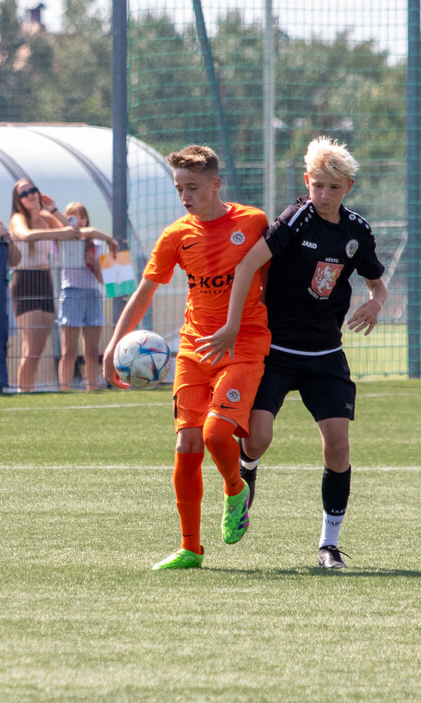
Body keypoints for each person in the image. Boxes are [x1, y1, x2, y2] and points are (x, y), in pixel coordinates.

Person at [196, 136, 388, 570]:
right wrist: (231, 326)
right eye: (317, 185)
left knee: (338, 446)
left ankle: (329, 545)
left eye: (333, 188)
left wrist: (376, 303)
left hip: (325, 354)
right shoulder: (295, 220)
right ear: (307, 181)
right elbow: (247, 264)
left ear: (348, 188)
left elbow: (378, 283)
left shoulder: (358, 231)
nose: (323, 195)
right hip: (276, 350)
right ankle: (246, 475)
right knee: (258, 437)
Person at [102, 145, 271, 570]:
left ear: (216, 184)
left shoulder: (252, 223)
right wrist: (112, 345)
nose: (185, 196)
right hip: (194, 350)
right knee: (186, 444)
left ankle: (236, 491)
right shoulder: (176, 235)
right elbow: (144, 293)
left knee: (217, 435)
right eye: (179, 187)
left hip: (244, 345)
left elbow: (275, 279)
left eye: (192, 187)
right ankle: (190, 548)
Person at [7, 178, 81, 392]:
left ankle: (27, 390)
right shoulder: (18, 218)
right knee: (31, 346)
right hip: (25, 280)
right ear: (18, 200)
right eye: (24, 193)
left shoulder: (47, 218)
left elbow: (73, 231)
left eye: (33, 190)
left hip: (45, 279)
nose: (30, 195)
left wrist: (54, 209)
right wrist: (60, 233)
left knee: (40, 346)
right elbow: (26, 236)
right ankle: (23, 391)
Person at [57, 202, 118, 391]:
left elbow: (105, 280)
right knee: (69, 351)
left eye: (82, 217)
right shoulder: (64, 241)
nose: (79, 222)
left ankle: (92, 387)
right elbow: (84, 232)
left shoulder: (96, 245)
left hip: (92, 294)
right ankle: (64, 388)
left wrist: (94, 264)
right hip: (72, 293)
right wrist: (109, 238)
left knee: (91, 350)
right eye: (73, 217)